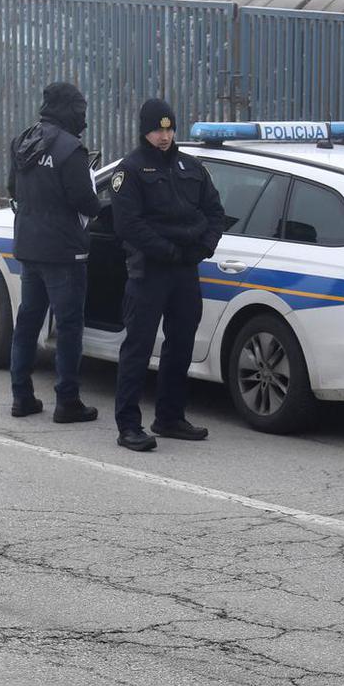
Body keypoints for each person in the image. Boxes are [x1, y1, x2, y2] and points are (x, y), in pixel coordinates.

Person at [110, 98, 225, 452]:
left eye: (169, 128)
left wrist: (202, 248)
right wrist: (168, 250)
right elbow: (128, 225)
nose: (164, 135)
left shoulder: (190, 166)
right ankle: (129, 424)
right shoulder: (130, 171)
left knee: (181, 345)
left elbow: (214, 212)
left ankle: (170, 417)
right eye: (158, 129)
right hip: (150, 270)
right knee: (139, 346)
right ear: (145, 130)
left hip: (185, 270)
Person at [7, 81, 101, 423]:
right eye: (81, 111)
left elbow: (11, 189)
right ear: (71, 110)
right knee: (69, 325)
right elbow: (84, 201)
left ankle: (21, 396)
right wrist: (104, 206)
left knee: (28, 321)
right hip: (64, 252)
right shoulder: (70, 149)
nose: (84, 118)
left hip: (29, 247)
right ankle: (67, 401)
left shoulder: (23, 141)